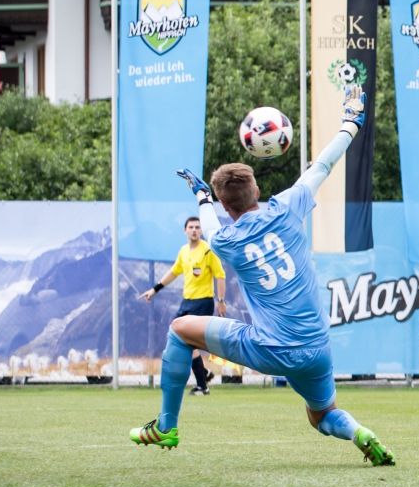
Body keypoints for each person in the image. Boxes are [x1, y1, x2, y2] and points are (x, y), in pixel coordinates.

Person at [129, 85, 395, 466]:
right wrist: (351, 122)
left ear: (224, 204)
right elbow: (323, 164)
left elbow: (209, 221)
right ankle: (358, 432)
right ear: (257, 188)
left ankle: (167, 426)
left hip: (268, 347)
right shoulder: (288, 207)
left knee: (179, 330)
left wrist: (203, 196)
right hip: (317, 348)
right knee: (322, 416)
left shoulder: (225, 240)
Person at [140, 216, 226, 395]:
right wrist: (154, 290)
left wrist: (221, 301)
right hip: (186, 302)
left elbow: (220, 275)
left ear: (201, 231)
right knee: (175, 335)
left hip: (203, 302)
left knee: (189, 344)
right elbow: (173, 272)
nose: (194, 230)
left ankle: (202, 386)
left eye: (197, 227)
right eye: (191, 227)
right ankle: (203, 374)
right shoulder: (183, 251)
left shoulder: (207, 250)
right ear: (185, 230)